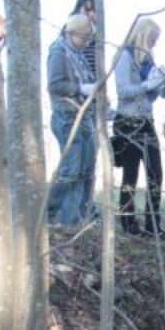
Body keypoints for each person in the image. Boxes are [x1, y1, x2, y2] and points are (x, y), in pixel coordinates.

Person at [113, 17, 165, 239]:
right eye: (153, 38)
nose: (155, 43)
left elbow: (155, 95)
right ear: (143, 35)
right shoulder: (124, 56)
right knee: (130, 174)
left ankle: (153, 224)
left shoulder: (148, 60)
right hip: (127, 121)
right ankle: (128, 222)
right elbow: (123, 91)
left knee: (156, 173)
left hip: (146, 121)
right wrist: (146, 84)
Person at [46, 14, 97, 227]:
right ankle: (47, 210)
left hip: (83, 116)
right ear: (72, 32)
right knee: (70, 169)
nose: (86, 42)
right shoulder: (59, 52)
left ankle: (71, 220)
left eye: (88, 39)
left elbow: (89, 81)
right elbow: (55, 85)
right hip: (66, 116)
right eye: (83, 37)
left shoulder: (80, 55)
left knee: (84, 169)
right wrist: (80, 89)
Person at [69, 0, 97, 77]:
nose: (91, 14)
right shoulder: (70, 31)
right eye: (87, 9)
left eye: (94, 10)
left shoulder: (95, 35)